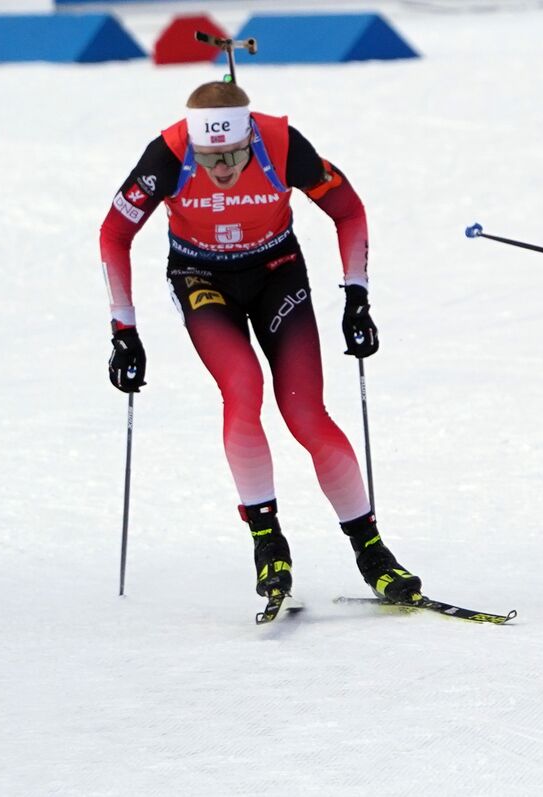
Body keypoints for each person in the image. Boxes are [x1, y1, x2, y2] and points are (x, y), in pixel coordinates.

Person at [98, 80, 421, 605]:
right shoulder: (167, 154)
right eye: (209, 158)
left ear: (250, 138)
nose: (222, 170)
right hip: (200, 277)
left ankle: (371, 549)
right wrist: (123, 329)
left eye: (233, 155)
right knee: (243, 387)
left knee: (305, 414)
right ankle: (267, 541)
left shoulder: (283, 144)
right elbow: (114, 233)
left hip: (276, 273)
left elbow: (348, 210)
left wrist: (356, 297)